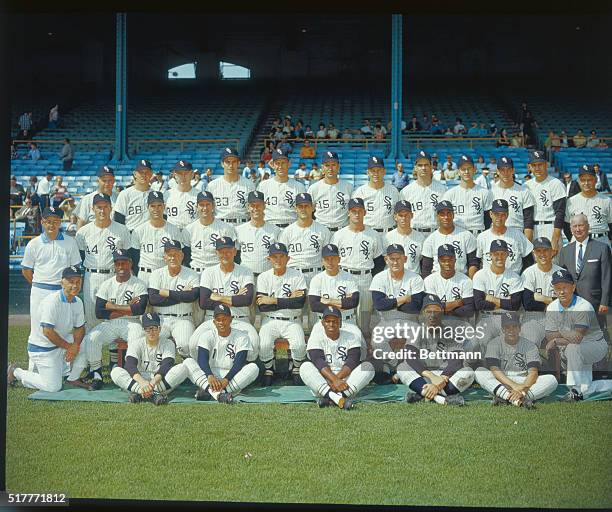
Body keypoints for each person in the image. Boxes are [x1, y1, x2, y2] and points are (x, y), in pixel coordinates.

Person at [66, 249, 148, 389]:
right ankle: (97, 375)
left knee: (138, 337)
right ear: (114, 266)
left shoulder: (139, 284)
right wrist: (128, 308)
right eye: (118, 264)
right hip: (110, 323)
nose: (121, 267)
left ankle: (133, 372)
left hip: (132, 322)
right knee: (92, 338)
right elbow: (99, 312)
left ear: (130, 263)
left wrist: (112, 306)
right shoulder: (107, 284)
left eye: (124, 263)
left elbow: (140, 309)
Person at [8, 266, 85, 392]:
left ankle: (68, 374)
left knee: (86, 342)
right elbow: (47, 332)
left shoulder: (78, 301)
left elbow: (80, 328)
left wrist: (75, 345)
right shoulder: (52, 301)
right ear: (62, 283)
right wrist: (69, 347)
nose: (75, 285)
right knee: (53, 387)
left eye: (77, 282)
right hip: (43, 348)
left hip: (60, 344)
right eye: (71, 282)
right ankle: (16, 372)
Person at [392, 294, 476, 406]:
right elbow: (410, 357)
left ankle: (421, 394)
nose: (432, 315)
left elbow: (456, 360)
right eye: (428, 311)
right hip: (424, 376)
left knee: (469, 372)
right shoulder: (416, 331)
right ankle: (441, 399)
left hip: (444, 378)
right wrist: (432, 377)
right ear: (423, 313)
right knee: (402, 368)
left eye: (436, 311)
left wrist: (440, 380)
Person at [545, 269, 610, 400]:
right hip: (580, 347)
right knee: (587, 388)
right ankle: (596, 387)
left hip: (595, 345)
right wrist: (557, 337)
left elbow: (576, 338)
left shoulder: (583, 306)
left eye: (565, 287)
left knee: (573, 349)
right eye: (558, 288)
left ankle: (573, 390)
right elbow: (550, 335)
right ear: (554, 289)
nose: (561, 291)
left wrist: (558, 339)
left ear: (573, 287)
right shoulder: (552, 307)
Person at [475, 312, 558, 408]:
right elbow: (495, 370)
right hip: (503, 380)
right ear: (502, 329)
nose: (511, 330)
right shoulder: (494, 344)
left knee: (552, 380)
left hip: (524, 380)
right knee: (479, 371)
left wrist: (523, 389)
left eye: (514, 326)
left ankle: (505, 397)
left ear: (519, 328)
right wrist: (515, 386)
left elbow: (533, 373)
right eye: (507, 327)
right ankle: (521, 399)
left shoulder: (530, 345)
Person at [21, 206, 82, 336]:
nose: (52, 225)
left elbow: (75, 269)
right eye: (48, 221)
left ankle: (60, 356)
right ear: (42, 222)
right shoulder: (34, 243)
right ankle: (36, 357)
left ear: (60, 222)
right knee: (38, 329)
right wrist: (39, 285)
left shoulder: (70, 242)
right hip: (40, 292)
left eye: (55, 221)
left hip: (62, 292)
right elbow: (26, 270)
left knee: (62, 328)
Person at [75, 193, 132, 329]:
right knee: (91, 318)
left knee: (115, 318)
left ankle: (114, 349)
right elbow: (81, 256)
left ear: (111, 208)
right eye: (99, 207)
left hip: (114, 276)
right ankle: (92, 348)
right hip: (92, 276)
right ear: (92, 209)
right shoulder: (83, 232)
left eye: (105, 207)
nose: (102, 210)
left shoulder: (122, 230)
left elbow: (129, 256)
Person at [300, 306, 374, 409]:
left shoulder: (352, 336)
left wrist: (337, 380)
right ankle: (337, 397)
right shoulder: (316, 336)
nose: (331, 324)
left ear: (340, 323)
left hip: (346, 381)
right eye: (328, 321)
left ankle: (330, 397)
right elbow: (318, 361)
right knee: (305, 366)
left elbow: (352, 361)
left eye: (334, 321)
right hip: (323, 380)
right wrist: (334, 380)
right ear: (322, 323)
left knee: (368, 367)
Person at [182, 304, 259, 403]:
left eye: (224, 319)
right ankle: (221, 395)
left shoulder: (241, 336)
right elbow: (202, 359)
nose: (221, 322)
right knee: (188, 362)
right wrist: (209, 375)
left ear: (231, 320)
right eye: (218, 319)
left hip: (231, 375)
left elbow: (239, 363)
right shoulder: (207, 335)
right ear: (214, 322)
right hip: (210, 376)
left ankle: (209, 391)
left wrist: (226, 380)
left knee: (253, 368)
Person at [256, 242, 308, 386]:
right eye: (274, 257)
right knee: (264, 344)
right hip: (270, 320)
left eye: (281, 256)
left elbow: (300, 303)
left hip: (292, 320)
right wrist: (289, 299)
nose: (278, 260)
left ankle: (295, 367)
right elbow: (263, 307)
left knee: (299, 346)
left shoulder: (297, 276)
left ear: (288, 258)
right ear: (269, 259)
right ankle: (269, 368)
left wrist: (273, 300)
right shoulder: (263, 277)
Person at [331, 198, 384, 335]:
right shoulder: (339, 235)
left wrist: (370, 276)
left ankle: (364, 351)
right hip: (344, 278)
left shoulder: (373, 235)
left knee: (364, 319)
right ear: (348, 213)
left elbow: (379, 262)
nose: (357, 214)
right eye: (353, 211)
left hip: (365, 278)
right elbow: (332, 259)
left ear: (365, 212)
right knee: (343, 316)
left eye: (359, 211)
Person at [148, 240, 200, 359]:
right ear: (164, 257)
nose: (173, 258)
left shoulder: (192, 274)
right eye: (170, 255)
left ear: (182, 256)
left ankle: (188, 371)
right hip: (161, 319)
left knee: (185, 344)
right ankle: (161, 370)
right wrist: (182, 295)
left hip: (183, 319)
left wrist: (166, 293)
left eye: (176, 254)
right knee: (154, 342)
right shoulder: (156, 274)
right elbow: (153, 299)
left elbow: (193, 296)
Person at [558, 213, 611, 329]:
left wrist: (605, 302)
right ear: (571, 229)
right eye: (575, 226)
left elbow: (607, 278)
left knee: (598, 337)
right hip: (571, 303)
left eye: (581, 225)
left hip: (595, 303)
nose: (578, 229)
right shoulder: (565, 251)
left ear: (588, 226)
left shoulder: (602, 248)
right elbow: (562, 279)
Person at [472, 239, 523, 348]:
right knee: (483, 340)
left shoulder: (515, 277)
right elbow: (479, 304)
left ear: (507, 255)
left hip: (508, 318)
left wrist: (492, 299)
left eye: (502, 254)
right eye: (496, 254)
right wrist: (504, 303)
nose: (499, 257)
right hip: (486, 317)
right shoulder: (480, 275)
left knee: (510, 343)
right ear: (490, 255)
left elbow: (515, 305)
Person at [130, 191, 186, 287]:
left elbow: (180, 256)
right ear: (147, 207)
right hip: (145, 274)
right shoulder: (139, 230)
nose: (156, 209)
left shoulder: (174, 230)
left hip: (166, 274)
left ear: (164, 207)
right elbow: (134, 258)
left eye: (159, 205)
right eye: (153, 206)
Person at [520, 237, 562, 346]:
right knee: (531, 339)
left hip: (557, 317)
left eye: (545, 250)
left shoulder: (561, 272)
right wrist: (552, 302)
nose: (542, 254)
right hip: (533, 318)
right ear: (534, 253)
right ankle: (534, 362)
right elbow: (528, 303)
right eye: (538, 251)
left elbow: (566, 301)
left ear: (552, 252)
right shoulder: (528, 273)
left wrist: (540, 297)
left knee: (566, 341)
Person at [420, 200, 479, 279]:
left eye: (449, 213)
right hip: (437, 281)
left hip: (461, 279)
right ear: (437, 217)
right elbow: (426, 269)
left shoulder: (466, 236)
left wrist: (470, 284)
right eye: (442, 214)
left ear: (453, 215)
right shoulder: (430, 240)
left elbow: (473, 263)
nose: (446, 217)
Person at [524, 150, 566, 255]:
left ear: (546, 165)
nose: (537, 168)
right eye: (534, 165)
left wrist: (555, 239)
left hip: (550, 227)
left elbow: (560, 213)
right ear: (530, 167)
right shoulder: (526, 186)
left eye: (540, 164)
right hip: (532, 229)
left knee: (553, 264)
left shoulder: (556, 184)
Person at [370, 243, 425, 323]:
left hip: (410, 322)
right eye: (392, 259)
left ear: (405, 259)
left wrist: (389, 305)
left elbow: (415, 307)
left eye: (398, 258)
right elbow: (379, 304)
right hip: (386, 322)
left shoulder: (415, 278)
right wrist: (404, 299)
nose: (395, 262)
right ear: (386, 260)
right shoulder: (379, 278)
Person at [476, 199, 534, 274]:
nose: (499, 218)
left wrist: (521, 277)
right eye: (496, 214)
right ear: (491, 214)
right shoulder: (482, 237)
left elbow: (529, 261)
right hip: (490, 281)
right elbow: (477, 262)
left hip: (514, 279)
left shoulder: (518, 235)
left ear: (507, 215)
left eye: (503, 214)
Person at [442, 155, 493, 237]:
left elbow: (488, 219)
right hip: (457, 235)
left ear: (474, 170)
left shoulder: (485, 192)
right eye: (463, 169)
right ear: (458, 171)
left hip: (478, 234)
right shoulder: (450, 194)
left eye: (469, 168)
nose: (466, 172)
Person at [400, 151, 447, 236]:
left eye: (426, 165)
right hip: (414, 233)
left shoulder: (442, 189)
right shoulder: (406, 191)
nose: (423, 168)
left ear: (431, 166)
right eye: (420, 165)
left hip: (435, 233)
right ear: (415, 168)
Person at [257, 148, 306, 228]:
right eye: (277, 163)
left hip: (291, 227)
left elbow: (303, 212)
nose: (280, 166)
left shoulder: (299, 187)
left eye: (283, 163)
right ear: (273, 165)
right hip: (269, 227)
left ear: (289, 164)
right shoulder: (263, 186)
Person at [564, 166, 612, 245]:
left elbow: (611, 224)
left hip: (601, 240)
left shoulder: (606, 200)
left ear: (595, 180)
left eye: (589, 180)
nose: (586, 183)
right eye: (583, 180)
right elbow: (566, 225)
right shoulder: (571, 201)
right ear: (579, 181)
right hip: (578, 241)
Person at [206, 147, 255, 225]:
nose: (231, 165)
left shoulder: (249, 185)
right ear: (222, 164)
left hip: (242, 225)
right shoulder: (212, 186)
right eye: (227, 162)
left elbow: (254, 210)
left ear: (238, 163)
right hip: (220, 225)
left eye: (234, 162)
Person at [307, 151, 352, 232]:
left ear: (338, 167)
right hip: (321, 230)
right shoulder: (314, 188)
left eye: (333, 165)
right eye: (327, 165)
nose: (330, 169)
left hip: (342, 230)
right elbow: (307, 211)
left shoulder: (349, 187)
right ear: (322, 168)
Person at [352, 156, 399, 234]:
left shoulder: (393, 190)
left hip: (388, 232)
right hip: (368, 233)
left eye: (379, 170)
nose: (376, 173)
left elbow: (398, 214)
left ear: (384, 172)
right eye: (372, 171)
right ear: (367, 173)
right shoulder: (360, 192)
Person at [383, 200, 425, 274]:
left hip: (414, 277)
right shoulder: (387, 237)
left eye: (406, 215)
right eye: (400, 215)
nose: (403, 218)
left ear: (411, 215)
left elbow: (422, 261)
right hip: (392, 278)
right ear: (395, 217)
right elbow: (383, 260)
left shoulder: (420, 237)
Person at [113, 159, 154, 232]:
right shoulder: (125, 194)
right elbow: (118, 219)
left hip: (150, 234)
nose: (144, 175)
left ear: (151, 174)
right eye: (141, 172)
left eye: (147, 172)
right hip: (130, 234)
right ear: (135, 174)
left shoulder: (155, 194)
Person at [74, 165, 118, 230]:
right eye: (104, 180)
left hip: (114, 236)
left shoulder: (120, 198)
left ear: (114, 181)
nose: (107, 183)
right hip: (92, 236)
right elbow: (81, 222)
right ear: (98, 181)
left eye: (110, 180)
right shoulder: (87, 199)